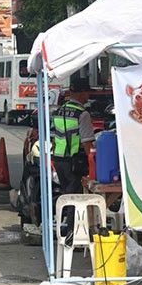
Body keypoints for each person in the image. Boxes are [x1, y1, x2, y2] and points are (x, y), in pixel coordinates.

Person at [51, 77, 95, 243]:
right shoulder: (82, 114)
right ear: (83, 93)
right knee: (74, 196)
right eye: (87, 92)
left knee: (66, 193)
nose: (88, 95)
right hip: (74, 161)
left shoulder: (60, 110)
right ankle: (71, 233)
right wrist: (93, 167)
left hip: (59, 158)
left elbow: (55, 137)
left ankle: (66, 227)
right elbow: (87, 143)